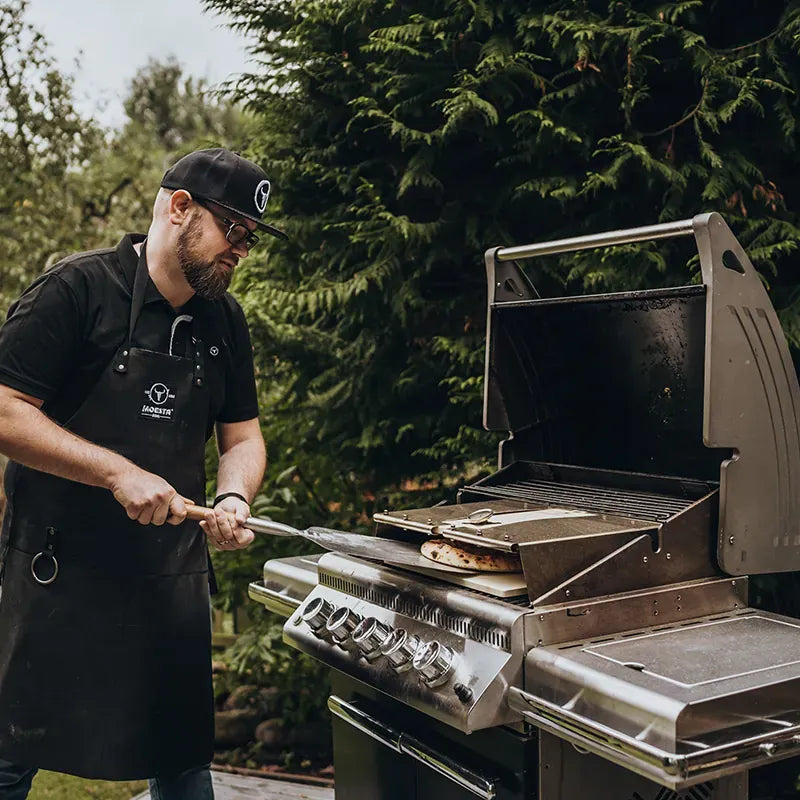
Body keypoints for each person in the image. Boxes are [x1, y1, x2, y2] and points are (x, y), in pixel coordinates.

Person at [0, 148, 283, 799]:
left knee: (182, 761)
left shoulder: (223, 320)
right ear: (180, 207)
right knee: (11, 755)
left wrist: (234, 496)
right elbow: (5, 411)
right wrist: (114, 472)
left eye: (252, 238)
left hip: (168, 581)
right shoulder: (74, 292)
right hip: (57, 573)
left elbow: (243, 436)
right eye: (234, 230)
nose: (242, 251)